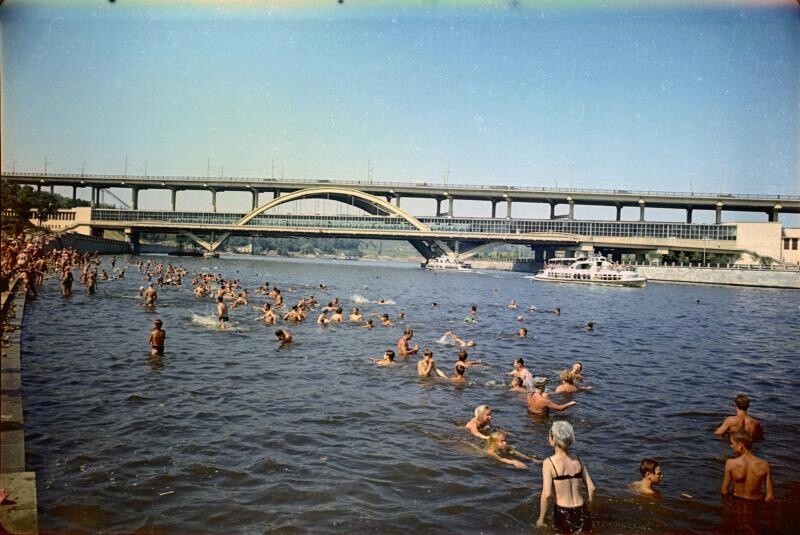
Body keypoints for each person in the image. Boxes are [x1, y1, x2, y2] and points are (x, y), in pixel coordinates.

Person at [537, 421, 596, 533]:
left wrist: (541, 518)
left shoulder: (549, 463)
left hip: (564, 512)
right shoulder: (578, 460)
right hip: (582, 509)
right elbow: (592, 488)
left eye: (549, 435)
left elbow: (546, 495)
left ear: (554, 439)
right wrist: (589, 506)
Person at [721, 431, 774, 502]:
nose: (731, 446)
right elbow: (770, 496)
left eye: (732, 443)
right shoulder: (764, 465)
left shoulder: (730, 463)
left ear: (740, 445)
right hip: (756, 504)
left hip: (737, 502)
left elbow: (724, 490)